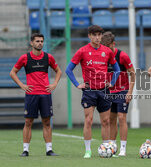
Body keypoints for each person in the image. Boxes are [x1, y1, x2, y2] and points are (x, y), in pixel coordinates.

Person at [65, 25, 120, 158]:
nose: (97, 37)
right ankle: (88, 150)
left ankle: (106, 149)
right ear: (89, 36)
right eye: (94, 35)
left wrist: (112, 82)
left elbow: (117, 70)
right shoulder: (82, 51)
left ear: (101, 36)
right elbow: (68, 70)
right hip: (89, 91)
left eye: (99, 35)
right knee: (88, 120)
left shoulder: (107, 51)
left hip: (103, 90)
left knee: (106, 121)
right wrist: (78, 84)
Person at [10, 33, 62, 157]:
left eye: (41, 41)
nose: (40, 43)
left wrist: (54, 84)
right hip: (31, 94)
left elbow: (58, 71)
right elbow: (13, 72)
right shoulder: (25, 58)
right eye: (37, 41)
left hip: (45, 94)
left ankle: (49, 149)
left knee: (47, 122)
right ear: (31, 43)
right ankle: (25, 150)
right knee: (28, 122)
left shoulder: (48, 57)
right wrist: (22, 85)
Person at [101, 32, 135, 156]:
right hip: (109, 91)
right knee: (111, 119)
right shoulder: (103, 56)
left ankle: (123, 149)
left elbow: (132, 73)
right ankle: (112, 146)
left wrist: (130, 92)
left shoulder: (122, 56)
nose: (106, 50)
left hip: (122, 90)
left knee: (122, 117)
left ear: (113, 44)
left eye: (108, 47)